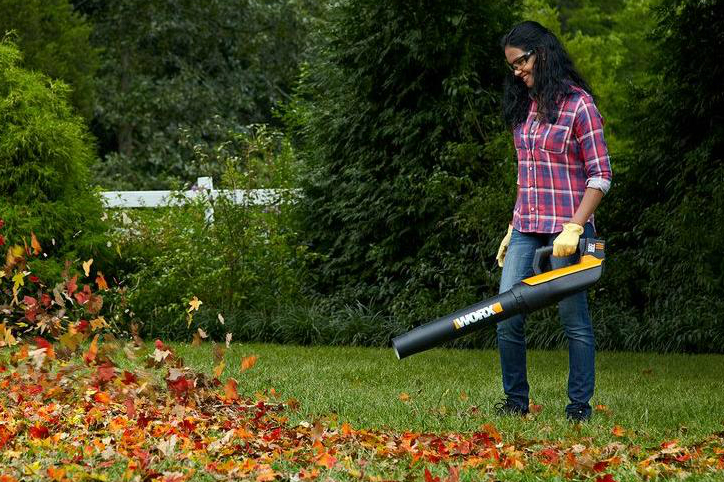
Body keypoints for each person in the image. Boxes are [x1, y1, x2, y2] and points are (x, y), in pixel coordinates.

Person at [494, 21, 613, 422]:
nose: (517, 71)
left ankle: (578, 408)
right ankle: (515, 403)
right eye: (511, 66)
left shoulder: (579, 105)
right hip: (528, 228)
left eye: (521, 62)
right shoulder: (522, 106)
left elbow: (600, 174)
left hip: (566, 233)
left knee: (573, 321)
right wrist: (513, 228)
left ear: (541, 53)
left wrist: (577, 226)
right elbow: (525, 173)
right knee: (505, 313)